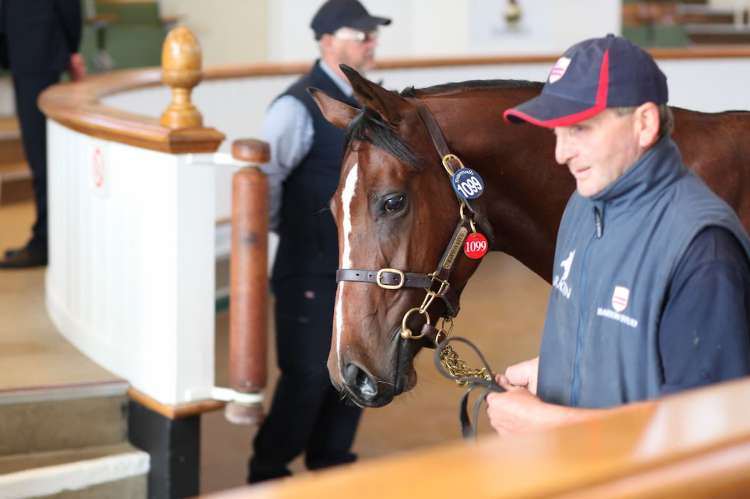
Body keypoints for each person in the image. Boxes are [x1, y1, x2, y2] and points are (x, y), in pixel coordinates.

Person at [487, 34, 750, 436]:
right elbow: (626, 347)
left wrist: (545, 426)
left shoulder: (702, 248)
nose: (560, 154)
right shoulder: (582, 207)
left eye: (579, 128)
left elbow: (708, 431)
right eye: (556, 132)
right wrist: (556, 371)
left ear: (644, 124)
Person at [247, 0, 391, 483]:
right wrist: (293, 233)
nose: (370, 42)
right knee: (308, 374)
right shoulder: (294, 107)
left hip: (361, 273)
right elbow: (261, 183)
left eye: (373, 35)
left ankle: (331, 466)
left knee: (358, 371)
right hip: (308, 267)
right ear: (328, 41)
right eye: (360, 34)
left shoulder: (373, 102)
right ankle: (268, 469)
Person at [0, 0, 86, 269]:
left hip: (38, 48)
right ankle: (46, 236)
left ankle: (45, 241)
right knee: (37, 151)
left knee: (41, 154)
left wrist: (71, 49)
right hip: (21, 46)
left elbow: (69, 5)